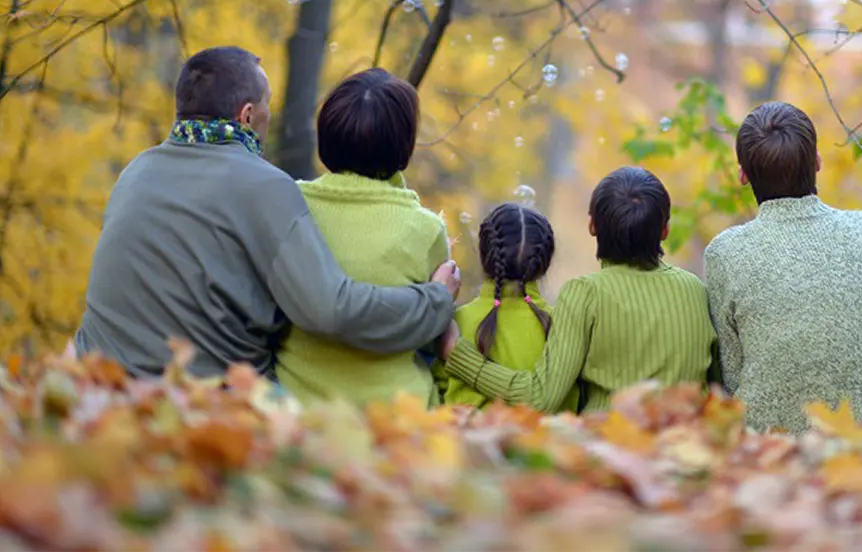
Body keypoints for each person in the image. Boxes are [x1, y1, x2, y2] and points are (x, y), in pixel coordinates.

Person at [74, 47, 461, 379]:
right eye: (268, 104)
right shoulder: (265, 186)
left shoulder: (135, 171)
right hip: (203, 393)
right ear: (246, 116)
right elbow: (330, 310)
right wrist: (435, 300)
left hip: (97, 379)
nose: (270, 114)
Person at [704, 102, 862, 434]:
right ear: (817, 162)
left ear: (743, 174)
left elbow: (732, 375)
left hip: (769, 447)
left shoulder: (724, 253)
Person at [440, 167, 715, 412]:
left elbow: (541, 396)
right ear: (665, 230)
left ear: (592, 225)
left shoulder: (585, 293)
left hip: (612, 451)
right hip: (688, 445)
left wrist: (457, 354)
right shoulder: (696, 289)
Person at [275, 68, 453, 407]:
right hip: (398, 415)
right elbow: (436, 335)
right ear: (405, 144)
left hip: (295, 408)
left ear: (326, 134)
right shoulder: (426, 229)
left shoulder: (289, 204)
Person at [439, 203, 578, 412]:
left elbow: (438, 394)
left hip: (468, 443)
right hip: (548, 443)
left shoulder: (453, 325)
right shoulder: (565, 327)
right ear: (546, 263)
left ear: (483, 255)